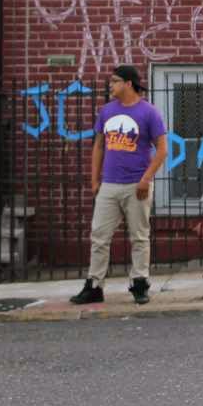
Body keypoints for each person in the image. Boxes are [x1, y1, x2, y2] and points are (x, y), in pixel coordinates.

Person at [71, 64, 168, 306]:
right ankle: (94, 285)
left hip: (137, 184)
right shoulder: (106, 111)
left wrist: (146, 179)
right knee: (99, 236)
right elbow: (99, 146)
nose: (110, 85)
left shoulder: (149, 112)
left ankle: (139, 283)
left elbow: (163, 149)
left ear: (128, 83)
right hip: (109, 185)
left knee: (139, 237)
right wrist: (95, 181)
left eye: (115, 81)